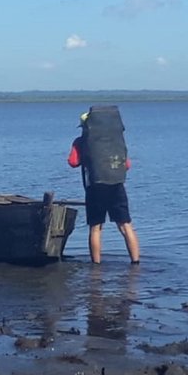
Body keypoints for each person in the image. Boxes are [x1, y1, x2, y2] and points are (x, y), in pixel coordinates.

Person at [67, 107, 140, 265]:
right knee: (126, 225)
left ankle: (96, 266)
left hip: (95, 187)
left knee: (96, 228)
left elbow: (73, 162)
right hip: (117, 184)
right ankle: (136, 263)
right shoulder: (116, 142)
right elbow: (126, 165)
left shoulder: (80, 142)